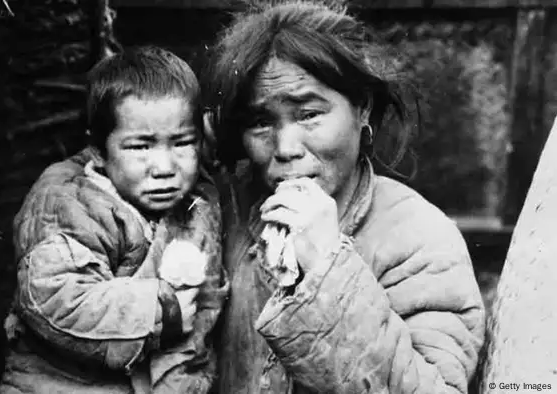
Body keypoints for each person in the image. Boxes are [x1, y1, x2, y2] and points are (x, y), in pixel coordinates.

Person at [201, 2, 486, 393]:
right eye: (261, 122)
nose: (285, 148)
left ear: (362, 108)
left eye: (308, 115)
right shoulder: (229, 211)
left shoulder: (419, 240)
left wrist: (327, 267)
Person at [0, 46, 228, 394]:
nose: (164, 168)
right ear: (99, 152)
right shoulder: (72, 202)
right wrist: (162, 311)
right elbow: (55, 298)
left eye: (182, 143)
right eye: (140, 147)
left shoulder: (196, 205)